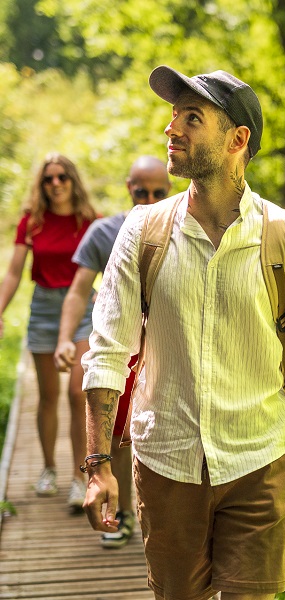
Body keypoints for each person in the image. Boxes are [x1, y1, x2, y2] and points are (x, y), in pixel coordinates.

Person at [81, 66, 285, 600]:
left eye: (192, 118)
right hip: (167, 465)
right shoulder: (143, 231)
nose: (171, 128)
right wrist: (98, 466)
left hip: (259, 463)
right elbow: (106, 353)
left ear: (237, 140)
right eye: (174, 115)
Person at [54, 156, 171, 548]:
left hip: (167, 344)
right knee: (118, 431)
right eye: (142, 192)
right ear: (128, 188)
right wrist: (65, 338)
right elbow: (78, 290)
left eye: (158, 193)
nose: (149, 200)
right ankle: (121, 514)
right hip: (124, 344)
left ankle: (160, 515)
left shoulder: (186, 227)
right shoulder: (104, 233)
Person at [0, 153, 97, 510]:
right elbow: (14, 272)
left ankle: (79, 477)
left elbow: (113, 266)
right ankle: (48, 468)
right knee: (47, 397)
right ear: (41, 185)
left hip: (82, 309)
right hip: (43, 309)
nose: (55, 184)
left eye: (61, 177)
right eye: (48, 179)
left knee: (77, 393)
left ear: (72, 180)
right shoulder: (32, 222)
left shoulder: (89, 220)